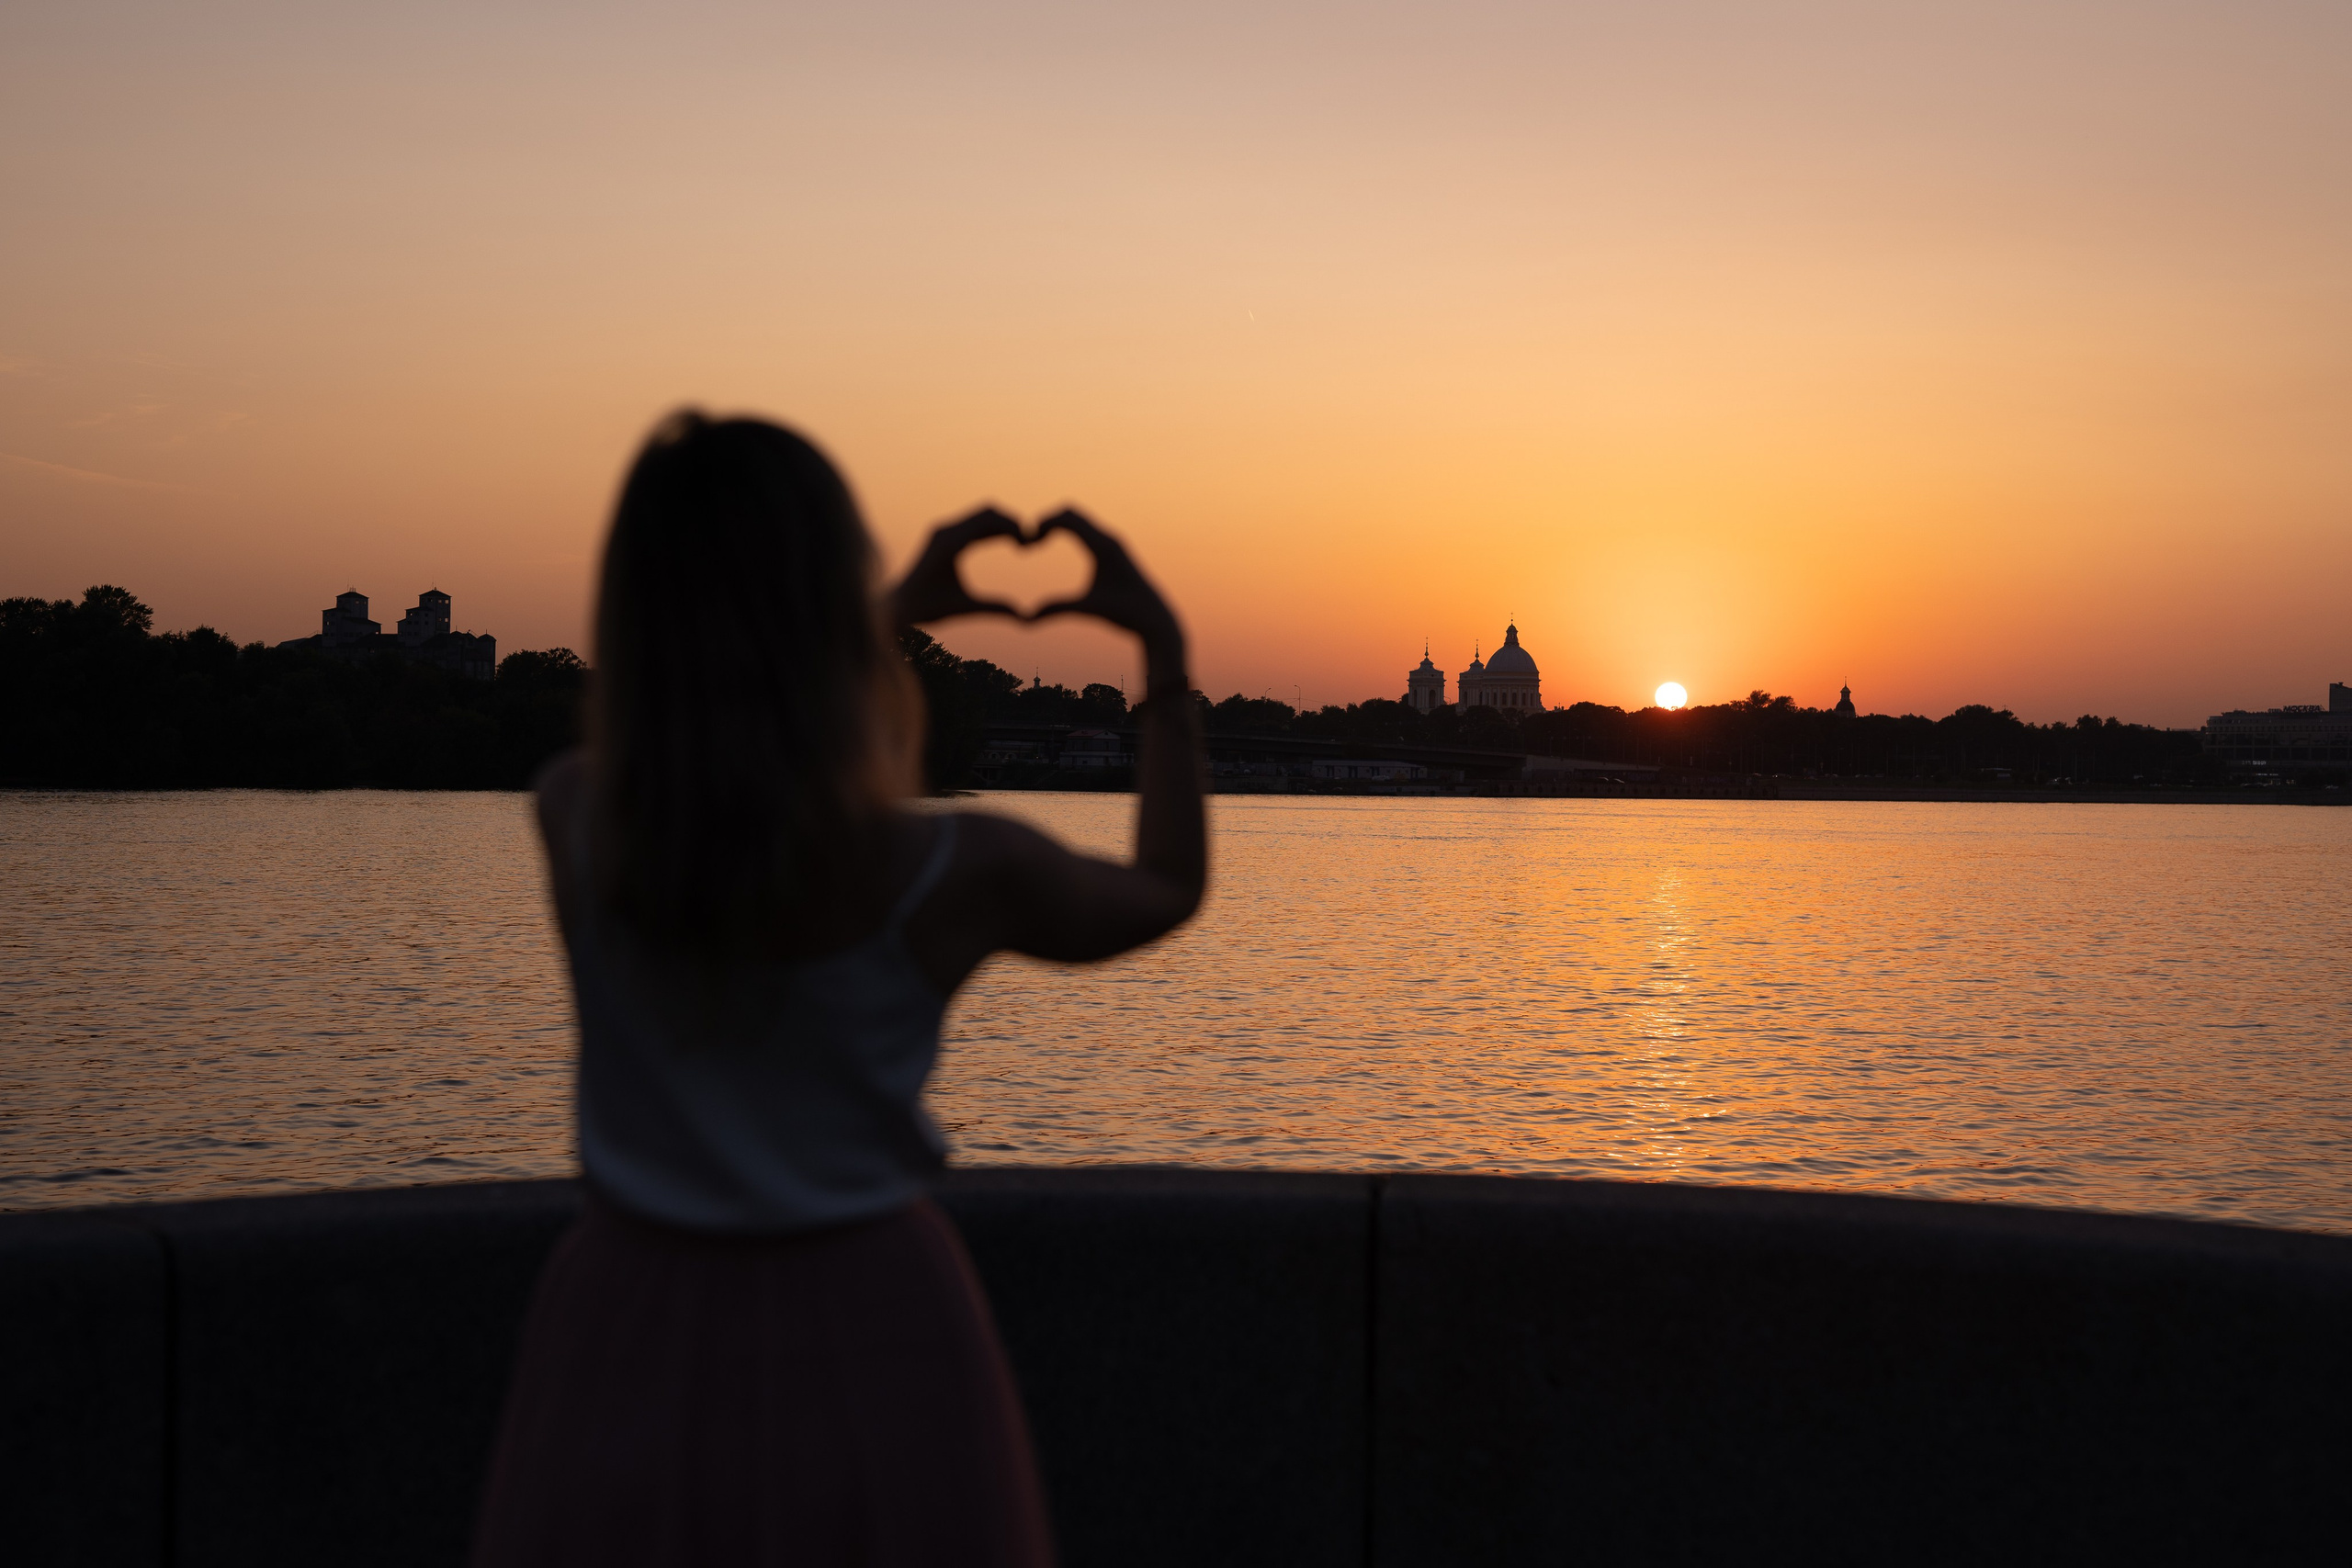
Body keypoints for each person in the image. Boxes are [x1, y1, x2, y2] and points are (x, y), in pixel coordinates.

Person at [471, 412, 1206, 1568]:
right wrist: (1160, 653)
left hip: (625, 1319)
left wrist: (889, 607)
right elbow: (1165, 884)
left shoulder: (576, 817)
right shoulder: (956, 871)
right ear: (833, 599)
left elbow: (730, 736)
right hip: (875, 1323)